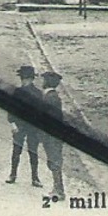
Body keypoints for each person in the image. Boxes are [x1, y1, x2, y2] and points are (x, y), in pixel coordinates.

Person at [6, 65, 44, 188]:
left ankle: (35, 177)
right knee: (17, 150)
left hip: (32, 127)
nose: (24, 81)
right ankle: (13, 174)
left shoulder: (37, 94)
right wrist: (12, 123)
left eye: (26, 78)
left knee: (33, 152)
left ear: (31, 79)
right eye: (23, 78)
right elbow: (11, 109)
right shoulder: (18, 92)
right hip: (20, 126)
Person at [40, 70, 67, 199]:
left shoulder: (51, 98)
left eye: (44, 79)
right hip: (52, 134)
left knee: (54, 160)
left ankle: (59, 190)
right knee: (53, 160)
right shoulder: (50, 96)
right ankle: (57, 188)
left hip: (52, 134)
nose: (42, 82)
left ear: (48, 82)